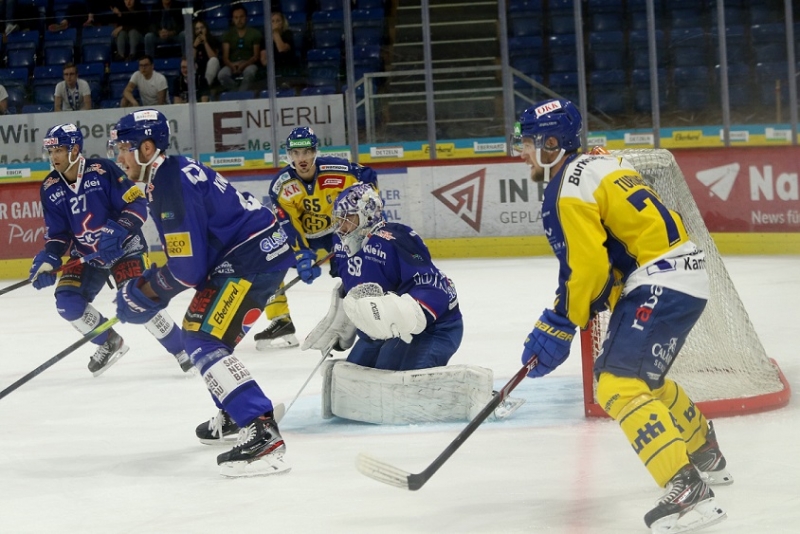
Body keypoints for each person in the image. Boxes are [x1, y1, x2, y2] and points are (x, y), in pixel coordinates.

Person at [512, 99, 730, 532]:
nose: (521, 150)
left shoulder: (563, 189)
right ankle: (705, 451)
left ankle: (688, 493)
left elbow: (586, 267)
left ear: (553, 144)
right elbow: (612, 250)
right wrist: (592, 297)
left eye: (529, 142)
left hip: (659, 280)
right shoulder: (601, 164)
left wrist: (560, 320)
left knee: (616, 385)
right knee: (644, 379)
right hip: (684, 273)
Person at [108, 109, 304, 476]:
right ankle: (234, 409)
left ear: (147, 148)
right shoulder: (169, 172)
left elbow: (187, 269)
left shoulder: (168, 184)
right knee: (206, 333)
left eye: (123, 147)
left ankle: (260, 431)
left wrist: (144, 294)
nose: (118, 156)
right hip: (257, 252)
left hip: (249, 259)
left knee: (200, 336)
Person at [29, 123, 191, 376]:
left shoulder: (102, 170)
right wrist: (49, 258)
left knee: (138, 298)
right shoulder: (50, 188)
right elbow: (58, 235)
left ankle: (183, 349)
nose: (54, 157)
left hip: (125, 248)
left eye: (59, 150)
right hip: (88, 257)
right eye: (51, 151)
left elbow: (137, 203)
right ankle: (108, 342)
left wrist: (118, 229)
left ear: (74, 149)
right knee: (67, 304)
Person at [253, 126, 377, 350]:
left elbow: (368, 177)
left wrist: (370, 209)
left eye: (307, 152)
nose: (302, 158)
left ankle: (366, 318)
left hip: (337, 233)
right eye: (296, 153)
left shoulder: (337, 170)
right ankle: (281, 320)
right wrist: (302, 253)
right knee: (268, 261)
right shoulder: (281, 185)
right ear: (289, 155)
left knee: (360, 268)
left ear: (315, 152)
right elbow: (289, 223)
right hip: (306, 237)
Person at [217, 4, 262, 93]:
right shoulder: (228, 35)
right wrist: (232, 66)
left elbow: (256, 56)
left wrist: (244, 65)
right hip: (231, 64)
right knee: (221, 75)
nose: (239, 20)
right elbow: (225, 57)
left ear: (246, 18)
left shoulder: (255, 33)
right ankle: (237, 92)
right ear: (233, 19)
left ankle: (241, 95)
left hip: (249, 63)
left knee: (249, 73)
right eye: (236, 17)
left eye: (241, 17)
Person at [259, 11, 297, 78]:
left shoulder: (287, 34)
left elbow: (281, 49)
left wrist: (275, 32)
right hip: (272, 68)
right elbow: (263, 59)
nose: (275, 23)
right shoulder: (265, 38)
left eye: (278, 21)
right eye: (272, 21)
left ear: (282, 23)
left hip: (287, 67)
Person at [191, 19, 220, 88]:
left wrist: (205, 43)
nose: (200, 31)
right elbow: (189, 61)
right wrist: (194, 46)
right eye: (197, 29)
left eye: (202, 28)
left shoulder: (213, 40)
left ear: (206, 29)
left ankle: (205, 87)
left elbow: (214, 58)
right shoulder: (192, 42)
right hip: (198, 71)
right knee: (191, 64)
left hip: (211, 70)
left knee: (213, 61)